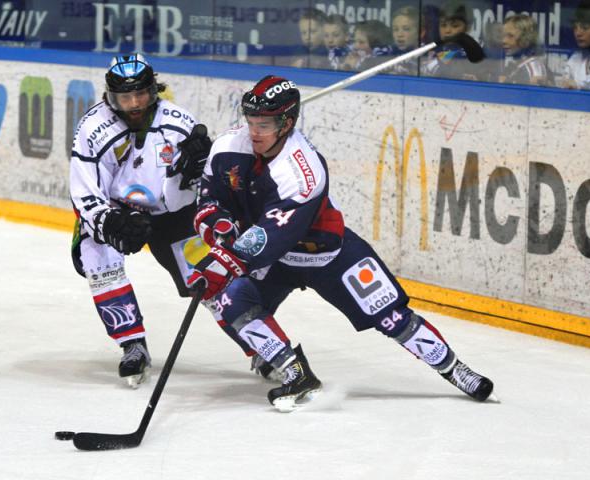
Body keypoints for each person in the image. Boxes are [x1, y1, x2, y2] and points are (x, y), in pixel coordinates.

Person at [187, 75, 494, 412]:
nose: (255, 131)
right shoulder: (228, 147)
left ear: (287, 123)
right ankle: (293, 370)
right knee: (227, 300)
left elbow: (273, 235)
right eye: (251, 121)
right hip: (274, 261)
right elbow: (208, 198)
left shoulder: (302, 170)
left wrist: (226, 261)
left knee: (391, 316)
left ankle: (453, 368)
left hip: (323, 254)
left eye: (265, 124)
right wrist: (215, 223)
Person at [69, 54, 287, 388]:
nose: (134, 104)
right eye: (124, 98)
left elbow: (213, 177)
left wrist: (200, 165)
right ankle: (132, 345)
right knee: (99, 259)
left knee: (214, 280)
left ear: (153, 89)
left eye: (140, 94)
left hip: (175, 214)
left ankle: (263, 349)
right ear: (111, 97)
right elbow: (84, 191)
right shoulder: (92, 129)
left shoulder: (178, 120)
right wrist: (108, 223)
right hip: (119, 211)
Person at [423, 1, 481, 80]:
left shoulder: (467, 53)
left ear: (468, 27)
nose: (447, 30)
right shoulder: (433, 50)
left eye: (455, 26)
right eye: (443, 25)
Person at [499, 14, 551, 86]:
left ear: (526, 38)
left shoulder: (533, 70)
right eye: (502, 35)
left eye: (510, 36)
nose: (504, 41)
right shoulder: (515, 65)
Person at [389, 6, 425, 76]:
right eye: (395, 29)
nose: (399, 35)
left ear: (421, 32)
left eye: (406, 29)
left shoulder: (430, 56)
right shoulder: (387, 53)